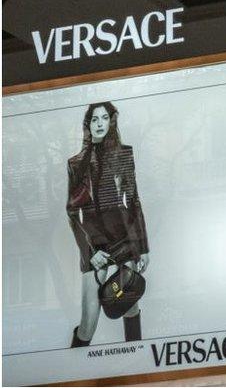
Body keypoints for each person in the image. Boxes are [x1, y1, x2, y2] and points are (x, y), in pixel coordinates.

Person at [66, 102, 149, 347]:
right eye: (94, 119)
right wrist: (91, 253)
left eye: (104, 118)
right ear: (88, 125)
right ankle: (75, 374)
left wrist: (142, 247)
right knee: (88, 322)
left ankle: (136, 364)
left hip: (125, 241)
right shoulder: (76, 164)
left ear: (111, 122)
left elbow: (133, 201)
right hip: (95, 247)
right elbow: (73, 211)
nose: (99, 123)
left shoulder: (125, 154)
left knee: (130, 306)